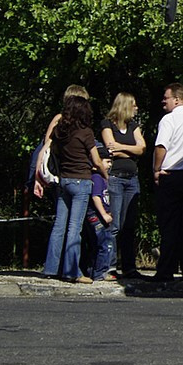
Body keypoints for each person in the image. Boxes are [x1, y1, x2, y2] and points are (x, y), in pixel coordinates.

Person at [43, 95, 109, 283]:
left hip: (64, 180)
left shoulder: (60, 131)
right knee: (75, 228)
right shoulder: (86, 132)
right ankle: (72, 272)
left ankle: (51, 268)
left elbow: (54, 151)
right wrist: (104, 175)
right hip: (81, 181)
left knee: (59, 226)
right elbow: (96, 159)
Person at [152, 83, 183, 282]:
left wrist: (156, 169)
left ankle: (166, 270)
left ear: (177, 99)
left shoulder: (169, 120)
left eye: (166, 97)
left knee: (169, 225)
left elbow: (161, 146)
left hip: (171, 175)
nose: (163, 101)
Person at [100, 93, 146, 279]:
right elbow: (109, 148)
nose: (136, 108)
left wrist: (121, 148)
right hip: (115, 178)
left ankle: (129, 267)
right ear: (125, 106)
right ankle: (109, 266)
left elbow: (142, 148)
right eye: (134, 105)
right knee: (115, 224)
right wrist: (130, 150)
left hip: (132, 178)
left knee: (129, 224)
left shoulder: (134, 126)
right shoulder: (107, 124)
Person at [33, 84, 89, 200]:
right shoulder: (60, 119)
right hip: (61, 173)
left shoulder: (81, 124)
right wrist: (37, 177)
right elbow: (46, 146)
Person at [85, 146, 115, 282]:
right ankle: (100, 273)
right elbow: (96, 197)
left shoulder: (100, 178)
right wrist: (103, 214)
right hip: (97, 217)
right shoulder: (97, 178)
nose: (109, 165)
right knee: (104, 244)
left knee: (96, 245)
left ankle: (92, 271)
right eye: (107, 161)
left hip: (98, 216)